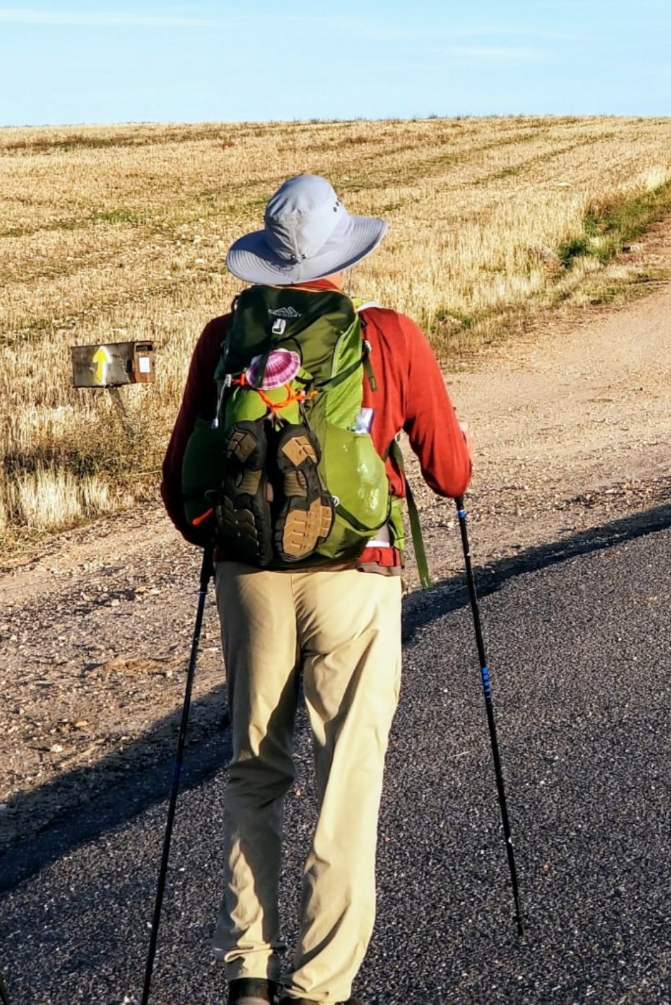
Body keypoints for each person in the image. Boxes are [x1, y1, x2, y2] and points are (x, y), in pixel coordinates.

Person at [162, 176, 472, 1005]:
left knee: (253, 771)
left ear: (265, 260)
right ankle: (321, 988)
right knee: (347, 779)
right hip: (357, 578)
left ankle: (250, 974)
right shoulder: (389, 337)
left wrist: (230, 537)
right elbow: (452, 473)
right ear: (346, 252)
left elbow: (178, 487)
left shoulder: (224, 338)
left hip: (250, 579)